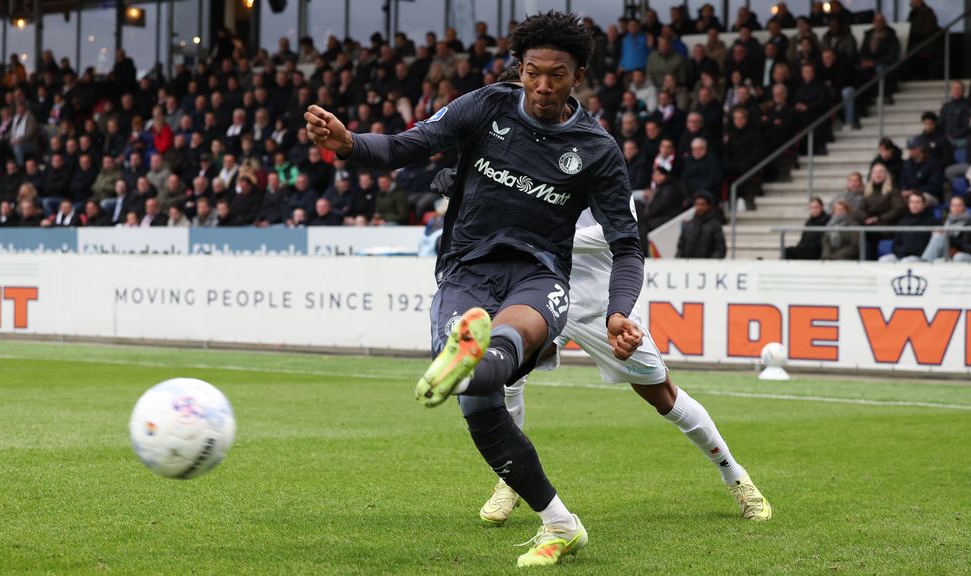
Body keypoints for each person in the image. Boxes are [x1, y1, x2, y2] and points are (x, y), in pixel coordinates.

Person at [305, 12, 644, 567]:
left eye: (556, 75)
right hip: (466, 271)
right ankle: (561, 524)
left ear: (578, 76)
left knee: (494, 353)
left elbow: (627, 246)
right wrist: (348, 144)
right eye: (532, 72)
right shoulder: (486, 106)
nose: (542, 85)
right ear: (520, 69)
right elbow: (405, 145)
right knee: (479, 402)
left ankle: (472, 356)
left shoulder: (596, 149)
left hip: (538, 276)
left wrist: (618, 312)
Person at [879, 191, 938, 262]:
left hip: (920, 258)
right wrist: (902, 251)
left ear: (924, 204)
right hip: (901, 255)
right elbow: (895, 245)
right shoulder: (903, 222)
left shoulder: (932, 222)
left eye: (918, 202)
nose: (914, 205)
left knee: (907, 261)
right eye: (912, 202)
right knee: (884, 260)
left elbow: (928, 247)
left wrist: (908, 251)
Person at [676, 192, 726, 258]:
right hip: (688, 263)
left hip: (707, 263)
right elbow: (680, 248)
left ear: (709, 206)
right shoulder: (688, 225)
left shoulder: (715, 225)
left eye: (703, 204)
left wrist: (710, 263)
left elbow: (720, 249)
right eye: (698, 204)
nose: (700, 207)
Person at [922, 196, 968, 261]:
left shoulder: (968, 222)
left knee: (939, 236)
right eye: (953, 205)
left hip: (959, 252)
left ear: (964, 207)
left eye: (959, 205)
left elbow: (964, 243)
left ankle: (925, 262)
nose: (956, 208)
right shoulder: (947, 220)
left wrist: (946, 234)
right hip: (947, 251)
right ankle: (925, 261)